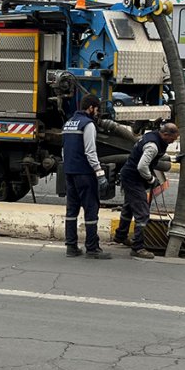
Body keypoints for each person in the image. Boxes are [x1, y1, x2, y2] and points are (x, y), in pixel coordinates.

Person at [113, 122, 180, 259]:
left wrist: (173, 159)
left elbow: (152, 157)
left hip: (129, 175)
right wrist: (151, 180)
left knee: (129, 207)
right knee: (142, 213)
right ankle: (138, 248)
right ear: (166, 134)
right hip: (133, 178)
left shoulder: (152, 137)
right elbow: (142, 166)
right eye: (172, 139)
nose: (173, 142)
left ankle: (120, 236)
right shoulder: (153, 146)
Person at [62, 95, 111, 259]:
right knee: (91, 209)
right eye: (96, 109)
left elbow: (64, 150)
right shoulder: (88, 124)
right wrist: (99, 173)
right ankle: (92, 248)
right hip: (84, 173)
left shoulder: (68, 123)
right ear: (91, 108)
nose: (97, 113)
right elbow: (90, 152)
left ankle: (71, 246)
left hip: (69, 172)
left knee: (71, 210)